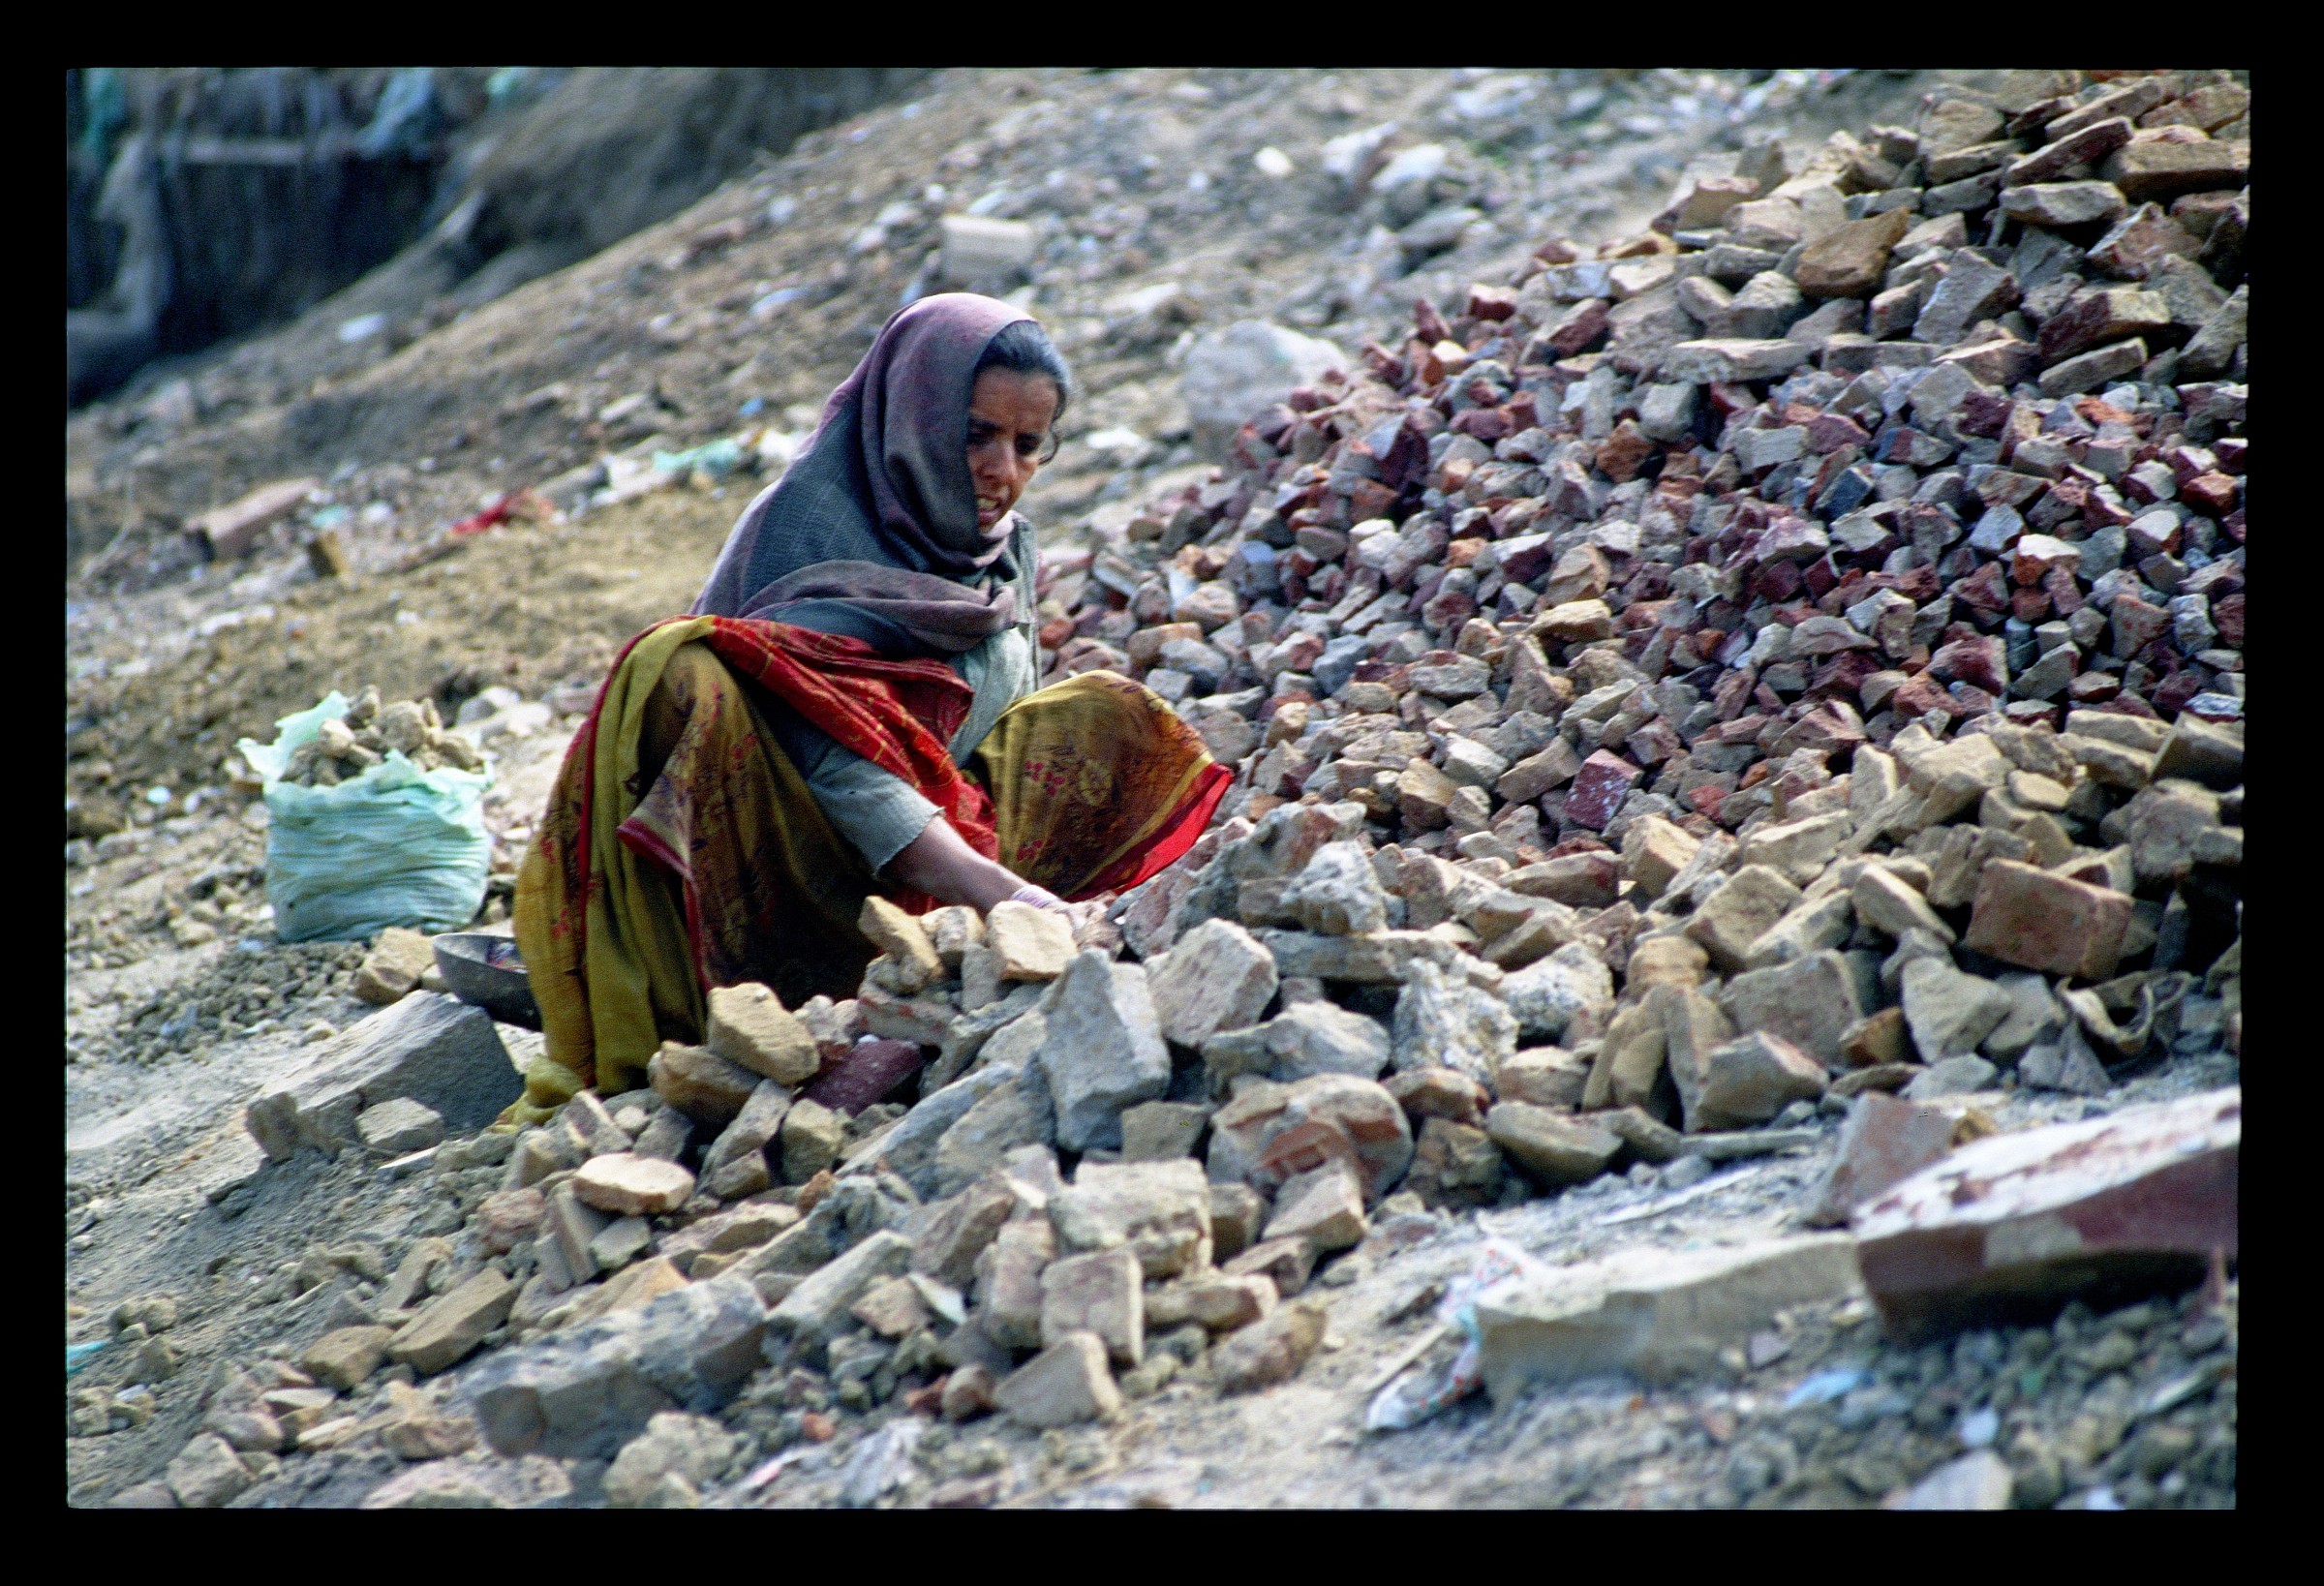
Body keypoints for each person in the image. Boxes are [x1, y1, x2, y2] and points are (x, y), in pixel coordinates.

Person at [507, 293, 1231, 1122]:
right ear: (911, 420)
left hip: (940, 861)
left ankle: (976, 946)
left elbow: (1001, 724)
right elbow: (836, 758)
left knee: (1108, 711)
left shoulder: (1003, 552)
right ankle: (726, 1015)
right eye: (976, 435)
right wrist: (999, 893)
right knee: (682, 667)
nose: (1003, 471)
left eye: (1028, 445)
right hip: (788, 865)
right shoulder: (803, 530)